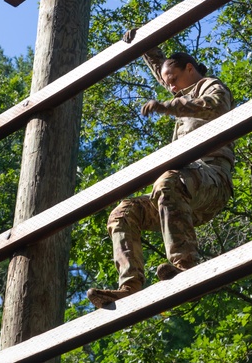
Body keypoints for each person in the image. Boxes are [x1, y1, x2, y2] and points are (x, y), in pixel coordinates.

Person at [86, 44, 233, 308]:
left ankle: (186, 267)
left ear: (190, 68)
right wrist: (141, 42)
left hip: (211, 182)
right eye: (167, 85)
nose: (172, 87)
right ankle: (129, 286)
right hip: (179, 199)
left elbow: (215, 105)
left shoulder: (210, 86)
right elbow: (162, 67)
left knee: (166, 180)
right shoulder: (176, 83)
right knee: (123, 212)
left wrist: (167, 106)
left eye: (174, 81)